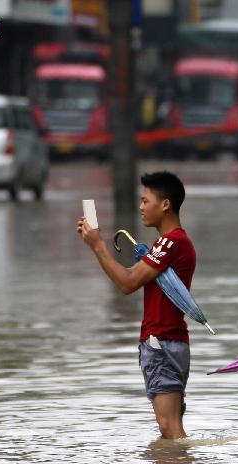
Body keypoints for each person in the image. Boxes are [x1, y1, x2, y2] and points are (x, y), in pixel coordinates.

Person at [77, 171, 196, 440]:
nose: (141, 207)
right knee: (171, 428)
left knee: (170, 429)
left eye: (145, 201)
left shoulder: (171, 242)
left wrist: (98, 246)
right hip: (170, 342)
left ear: (165, 205)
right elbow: (130, 277)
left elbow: (128, 282)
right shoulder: (171, 243)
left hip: (162, 343)